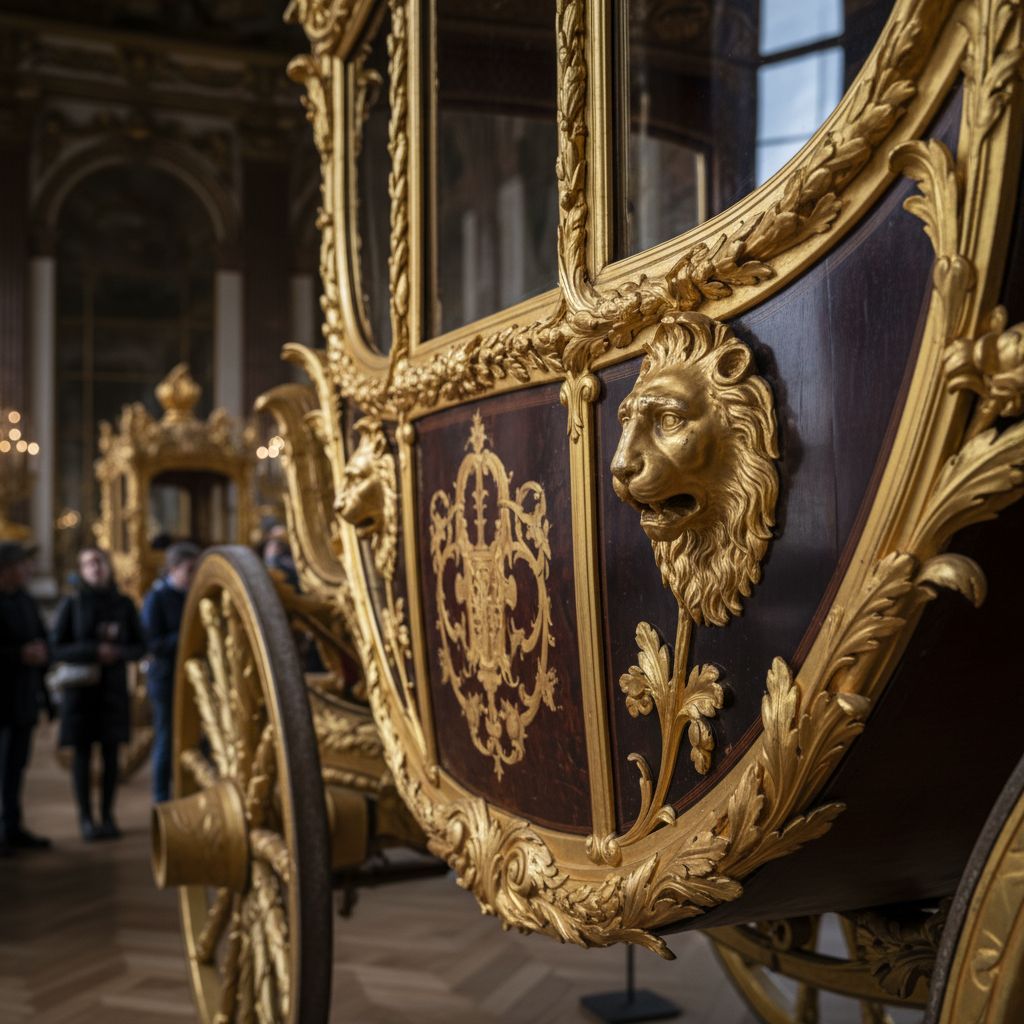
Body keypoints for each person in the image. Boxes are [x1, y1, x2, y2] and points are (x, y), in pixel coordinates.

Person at [51, 547, 144, 840]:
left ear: (109, 566)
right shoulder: (73, 603)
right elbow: (56, 647)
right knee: (82, 755)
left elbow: (141, 645)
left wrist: (116, 653)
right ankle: (86, 819)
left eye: (100, 562)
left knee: (111, 754)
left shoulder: (124, 604)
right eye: (89, 564)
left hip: (112, 690)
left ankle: (107, 816)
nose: (96, 568)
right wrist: (93, 651)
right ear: (82, 569)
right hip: (81, 692)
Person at [0, 542, 51, 855]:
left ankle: (12, 826)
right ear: (7, 568)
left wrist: (44, 653)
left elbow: (44, 637)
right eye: (23, 564)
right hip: (1, 698)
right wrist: (20, 654)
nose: (29, 570)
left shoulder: (25, 600)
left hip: (22, 698)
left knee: (16, 766)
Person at [142, 541, 199, 804]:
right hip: (165, 678)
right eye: (189, 569)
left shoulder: (191, 594)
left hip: (192, 676)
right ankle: (162, 798)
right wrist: (186, 635)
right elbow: (151, 643)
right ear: (172, 570)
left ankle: (189, 793)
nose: (194, 574)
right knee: (166, 738)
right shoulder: (157, 598)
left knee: (194, 737)